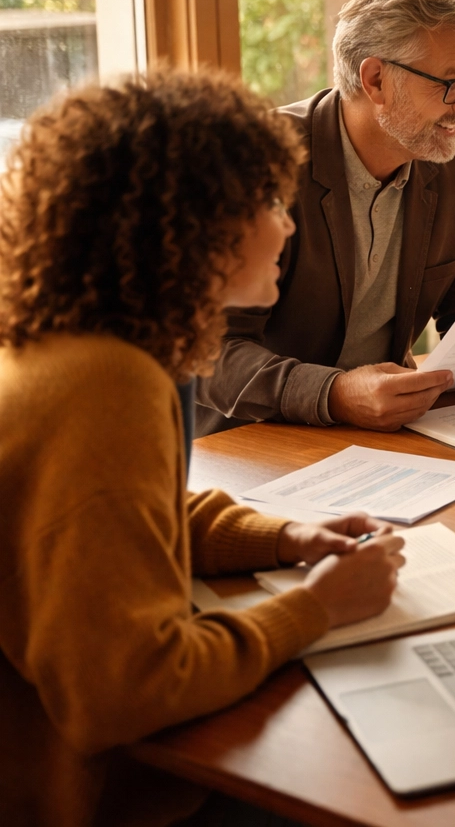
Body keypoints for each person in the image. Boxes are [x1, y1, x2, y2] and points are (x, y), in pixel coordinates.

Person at [0, 71, 407, 825]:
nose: (285, 226)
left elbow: (126, 517)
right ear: (185, 226)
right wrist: (314, 609)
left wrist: (283, 539)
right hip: (84, 791)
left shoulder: (80, 345)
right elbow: (128, 692)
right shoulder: (105, 384)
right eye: (264, 204)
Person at [197, 0, 455, 436]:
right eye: (450, 85)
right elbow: (209, 350)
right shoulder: (256, 161)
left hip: (391, 430)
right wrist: (334, 394)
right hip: (252, 437)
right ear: (375, 80)